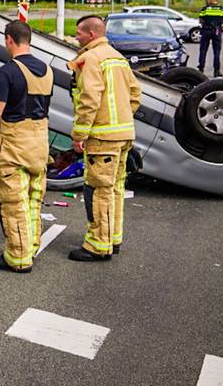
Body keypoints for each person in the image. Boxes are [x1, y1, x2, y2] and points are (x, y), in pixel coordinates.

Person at [0, 20, 52, 273]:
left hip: (15, 143)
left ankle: (18, 257)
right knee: (34, 198)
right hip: (40, 141)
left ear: (9, 39)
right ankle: (32, 246)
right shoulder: (47, 70)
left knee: (14, 201)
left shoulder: (7, 71)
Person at [68, 14, 141, 262]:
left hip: (102, 139)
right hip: (123, 135)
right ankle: (113, 238)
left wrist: (80, 134)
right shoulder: (117, 58)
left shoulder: (91, 58)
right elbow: (135, 94)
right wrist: (121, 119)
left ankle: (98, 246)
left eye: (78, 33)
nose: (76, 37)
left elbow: (89, 99)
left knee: (98, 191)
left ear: (91, 34)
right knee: (115, 189)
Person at [197, 0, 223, 77]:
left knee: (203, 51)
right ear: (216, 0)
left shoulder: (204, 9)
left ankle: (201, 69)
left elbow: (201, 20)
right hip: (217, 31)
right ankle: (216, 71)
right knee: (216, 51)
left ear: (209, 0)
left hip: (206, 31)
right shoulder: (221, 9)